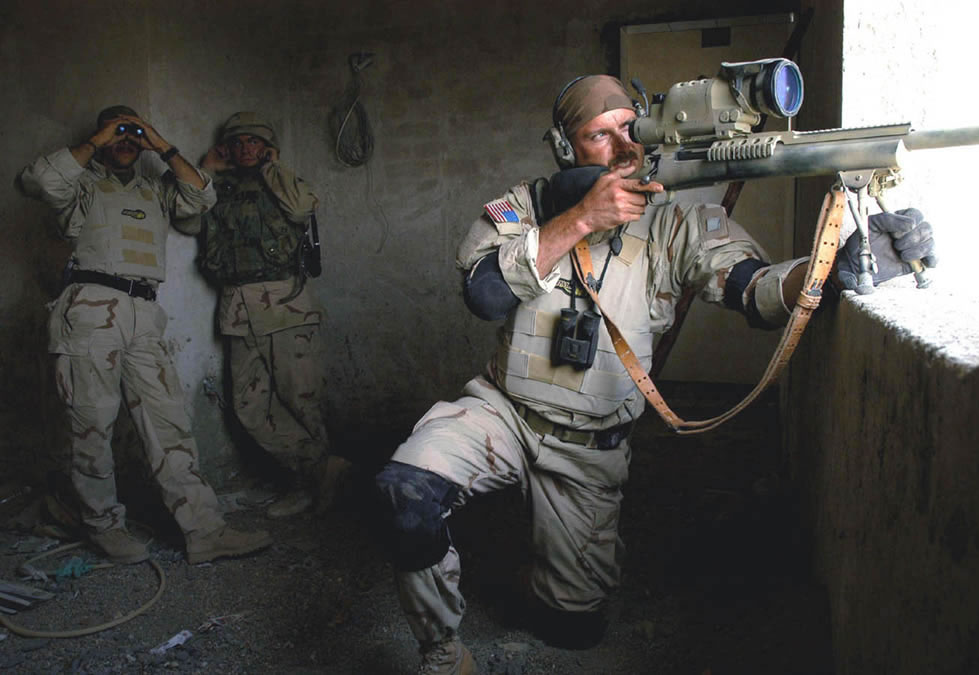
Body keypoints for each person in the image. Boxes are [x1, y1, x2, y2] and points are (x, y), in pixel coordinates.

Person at [372, 75, 936, 673]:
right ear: (565, 148)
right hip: (504, 411)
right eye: (598, 135)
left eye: (628, 127)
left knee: (573, 629)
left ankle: (546, 570)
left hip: (590, 445)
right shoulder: (527, 207)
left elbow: (754, 292)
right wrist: (580, 219)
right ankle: (443, 654)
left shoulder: (676, 221)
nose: (622, 146)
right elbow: (484, 294)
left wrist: (833, 269)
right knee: (406, 491)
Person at [17, 105, 273, 565]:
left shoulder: (154, 189)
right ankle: (103, 525)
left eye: (131, 133)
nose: (125, 139)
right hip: (90, 308)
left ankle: (205, 530)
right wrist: (100, 138)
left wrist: (159, 143)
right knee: (91, 426)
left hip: (144, 313)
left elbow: (201, 196)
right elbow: (37, 181)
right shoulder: (82, 184)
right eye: (115, 132)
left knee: (168, 422)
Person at [188, 112, 349, 519]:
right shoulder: (217, 186)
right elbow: (186, 217)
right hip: (238, 307)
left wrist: (273, 168)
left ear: (268, 147)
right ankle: (319, 470)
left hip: (285, 305)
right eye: (238, 142)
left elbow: (302, 208)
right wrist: (205, 171)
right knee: (248, 406)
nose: (246, 148)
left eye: (254, 142)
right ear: (227, 147)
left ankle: (307, 484)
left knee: (301, 400)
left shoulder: (282, 181)